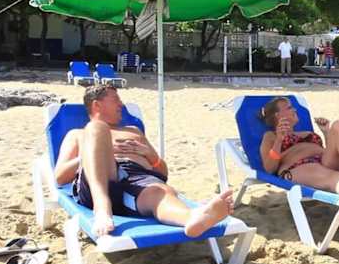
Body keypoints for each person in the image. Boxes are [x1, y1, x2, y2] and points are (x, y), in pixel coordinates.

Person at [54, 84, 234, 237]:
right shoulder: (78, 134)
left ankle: (192, 218)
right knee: (96, 128)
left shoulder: (133, 131)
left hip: (137, 181)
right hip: (99, 181)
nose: (121, 104)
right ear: (97, 105)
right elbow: (60, 177)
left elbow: (163, 174)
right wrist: (96, 152)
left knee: (160, 191)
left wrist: (149, 154)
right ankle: (102, 208)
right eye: (116, 100)